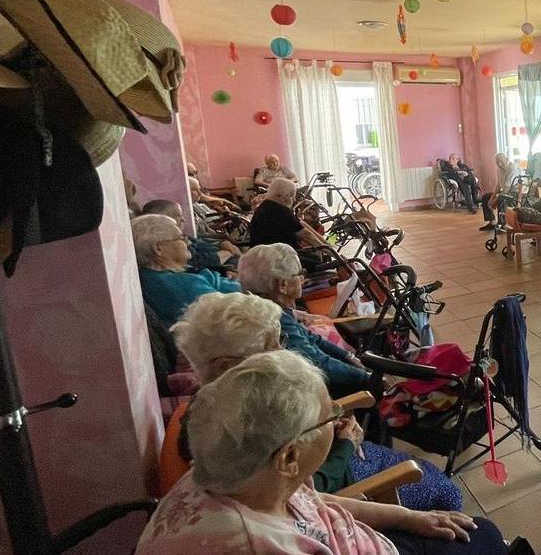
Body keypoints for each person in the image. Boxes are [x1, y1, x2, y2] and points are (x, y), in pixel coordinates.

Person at [138, 350, 508, 555]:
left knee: (479, 534)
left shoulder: (240, 475)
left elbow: (316, 504)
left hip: (361, 538)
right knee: (485, 538)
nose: (339, 418)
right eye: (328, 416)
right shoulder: (258, 544)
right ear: (289, 457)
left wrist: (407, 518)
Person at [158, 292, 463, 511]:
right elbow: (304, 494)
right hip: (344, 480)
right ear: (226, 365)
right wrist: (344, 443)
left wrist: (330, 421)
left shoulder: (236, 401)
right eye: (272, 344)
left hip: (335, 455)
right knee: (446, 493)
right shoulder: (236, 428)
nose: (284, 350)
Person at [239, 244, 371, 397]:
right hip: (309, 393)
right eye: (300, 273)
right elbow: (320, 363)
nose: (303, 278)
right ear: (283, 285)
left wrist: (350, 357)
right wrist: (367, 378)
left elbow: (312, 338)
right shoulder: (276, 321)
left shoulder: (270, 308)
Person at [132, 214, 241, 327]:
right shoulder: (182, 285)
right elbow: (240, 314)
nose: (188, 242)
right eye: (181, 238)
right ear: (158, 248)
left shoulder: (147, 277)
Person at [141, 199, 242, 273]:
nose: (183, 220)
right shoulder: (173, 247)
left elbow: (200, 242)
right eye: (178, 216)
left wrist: (222, 243)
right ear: (164, 220)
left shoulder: (182, 237)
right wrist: (226, 253)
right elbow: (199, 262)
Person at [249, 177, 328, 251]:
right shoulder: (279, 211)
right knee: (316, 258)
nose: (293, 200)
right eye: (291, 196)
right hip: (278, 258)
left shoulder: (266, 205)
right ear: (279, 196)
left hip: (263, 254)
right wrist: (331, 252)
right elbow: (307, 235)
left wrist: (327, 244)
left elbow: (302, 224)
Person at [477, 153, 520, 231]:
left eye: (501, 161)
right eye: (497, 162)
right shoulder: (499, 170)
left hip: (514, 192)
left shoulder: (512, 168)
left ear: (507, 159)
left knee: (501, 198)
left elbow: (507, 187)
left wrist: (495, 199)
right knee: (485, 197)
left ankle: (502, 224)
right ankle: (492, 222)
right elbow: (499, 185)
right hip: (505, 191)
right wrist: (491, 198)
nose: (499, 164)